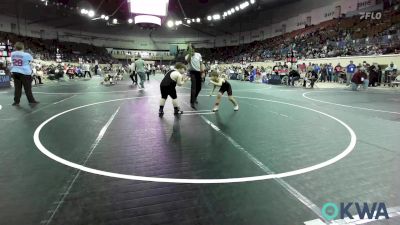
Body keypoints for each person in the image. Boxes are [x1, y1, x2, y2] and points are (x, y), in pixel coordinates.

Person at [185, 44, 204, 109]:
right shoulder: (187, 56)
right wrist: (190, 53)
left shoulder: (198, 55)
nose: (192, 52)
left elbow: (201, 64)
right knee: (193, 87)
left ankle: (195, 97)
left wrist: (203, 72)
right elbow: (188, 60)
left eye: (193, 50)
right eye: (190, 51)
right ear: (188, 51)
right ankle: (192, 102)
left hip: (198, 72)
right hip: (192, 72)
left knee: (199, 87)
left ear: (194, 50)